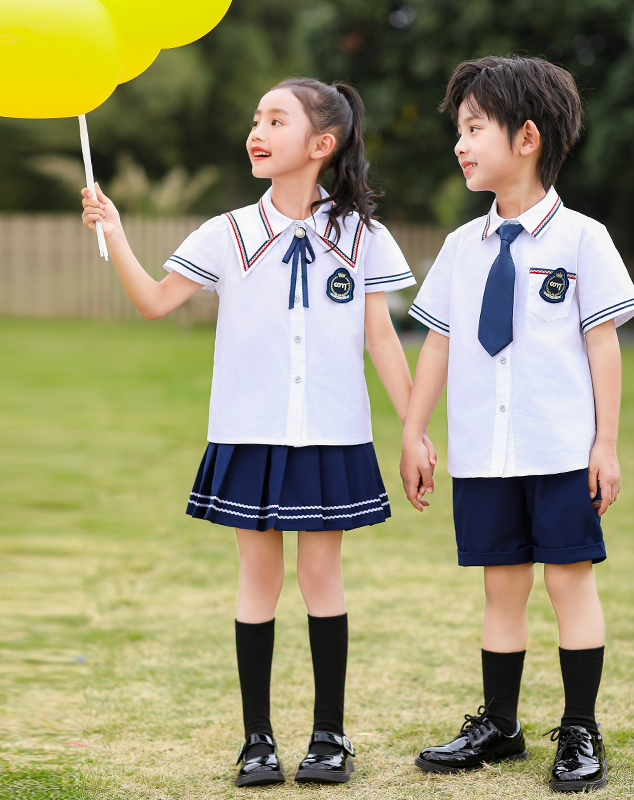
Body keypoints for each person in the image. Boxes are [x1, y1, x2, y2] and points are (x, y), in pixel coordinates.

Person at [82, 78, 433, 787]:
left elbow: (383, 340)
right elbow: (154, 302)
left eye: (277, 119)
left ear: (321, 144)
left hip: (333, 434)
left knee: (321, 577)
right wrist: (114, 232)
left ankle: (330, 738)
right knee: (257, 580)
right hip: (249, 433)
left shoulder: (361, 235)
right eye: (256, 118)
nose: (257, 129)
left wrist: (414, 430)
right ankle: (257, 742)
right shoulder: (226, 232)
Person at [400, 55, 634, 793]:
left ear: (528, 136)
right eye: (460, 130)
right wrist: (413, 430)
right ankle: (501, 726)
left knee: (570, 582)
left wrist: (604, 444)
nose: (460, 144)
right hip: (483, 453)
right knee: (500, 587)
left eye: (475, 128)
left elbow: (603, 344)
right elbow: (437, 343)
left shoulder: (583, 241)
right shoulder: (458, 249)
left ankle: (580, 730)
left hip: (560, 449)